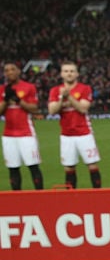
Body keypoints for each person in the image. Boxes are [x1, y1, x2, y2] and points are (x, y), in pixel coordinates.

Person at [47, 61, 101, 188]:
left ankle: (98, 195)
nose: (69, 74)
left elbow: (83, 108)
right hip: (66, 135)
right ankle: (70, 198)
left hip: (84, 133)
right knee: (69, 167)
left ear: (77, 74)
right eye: (66, 71)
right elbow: (52, 110)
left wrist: (69, 97)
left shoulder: (84, 88)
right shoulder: (55, 90)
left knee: (92, 164)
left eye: (71, 71)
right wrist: (61, 97)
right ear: (61, 74)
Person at [1, 62, 45, 190]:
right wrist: (5, 100)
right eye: (7, 70)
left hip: (26, 133)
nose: (10, 72)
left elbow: (34, 108)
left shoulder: (29, 87)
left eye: (12, 69)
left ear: (18, 71)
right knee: (13, 168)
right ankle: (17, 199)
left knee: (33, 166)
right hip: (8, 135)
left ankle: (41, 197)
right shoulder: (2, 90)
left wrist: (18, 100)